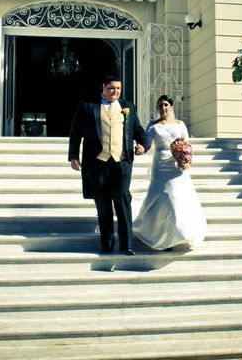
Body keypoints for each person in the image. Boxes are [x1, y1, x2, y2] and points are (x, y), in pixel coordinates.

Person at [68, 75, 150, 255]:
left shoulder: (128, 106)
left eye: (118, 89)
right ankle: (106, 244)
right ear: (103, 87)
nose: (115, 92)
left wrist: (144, 145)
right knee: (103, 205)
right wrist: (74, 156)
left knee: (123, 201)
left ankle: (127, 245)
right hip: (97, 163)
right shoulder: (88, 106)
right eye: (111, 88)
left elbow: (137, 130)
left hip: (121, 162)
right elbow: (75, 132)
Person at [133, 95, 207, 250]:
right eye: (160, 105)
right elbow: (146, 143)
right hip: (160, 164)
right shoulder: (153, 126)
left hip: (177, 165)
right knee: (162, 198)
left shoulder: (180, 125)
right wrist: (141, 149)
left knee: (178, 198)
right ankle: (163, 235)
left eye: (166, 105)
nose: (163, 108)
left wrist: (185, 160)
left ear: (171, 107)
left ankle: (181, 232)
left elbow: (186, 144)